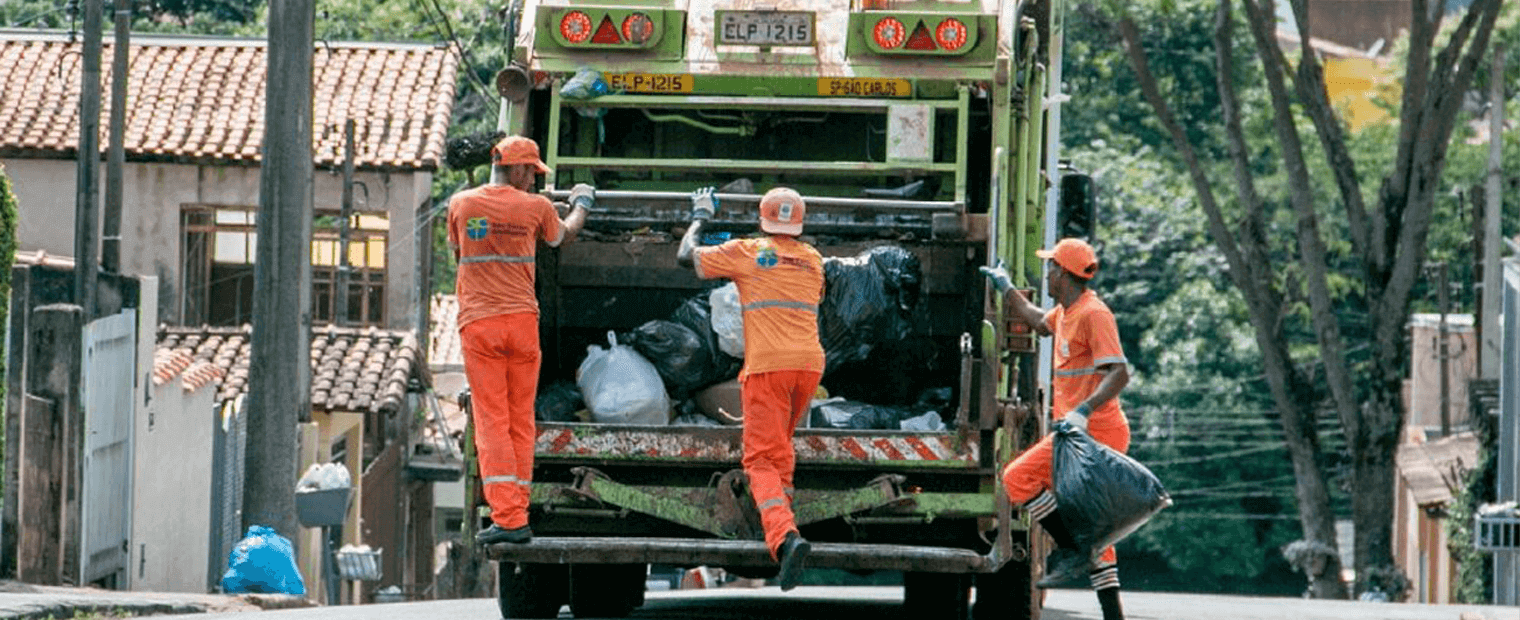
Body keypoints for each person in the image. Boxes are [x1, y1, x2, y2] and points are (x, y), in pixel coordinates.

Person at [676, 186, 824, 591]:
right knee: (781, 449)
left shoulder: (748, 251)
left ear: (762, 219)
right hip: (809, 366)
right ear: (799, 222)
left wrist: (701, 216)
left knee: (759, 459)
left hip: (768, 368)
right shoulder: (813, 259)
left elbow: (685, 256)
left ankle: (783, 538)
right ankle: (783, 520)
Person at [448, 135, 593, 546]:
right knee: (519, 420)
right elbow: (562, 237)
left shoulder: (461, 204)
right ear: (513, 168)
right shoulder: (537, 208)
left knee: (492, 422)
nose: (533, 178)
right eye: (530, 170)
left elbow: (460, 253)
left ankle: (509, 517)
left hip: (480, 326)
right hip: (522, 325)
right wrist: (583, 203)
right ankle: (518, 508)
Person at [980, 237, 1131, 620]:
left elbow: (1119, 372)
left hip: (1095, 433)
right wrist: (1005, 286)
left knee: (1016, 478)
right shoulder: (1066, 313)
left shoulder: (1094, 314)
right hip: (1077, 434)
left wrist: (1083, 410)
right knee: (1097, 530)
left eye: (1050, 267)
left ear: (1063, 273)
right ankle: (1109, 608)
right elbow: (1034, 318)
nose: (1046, 273)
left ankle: (1069, 548)